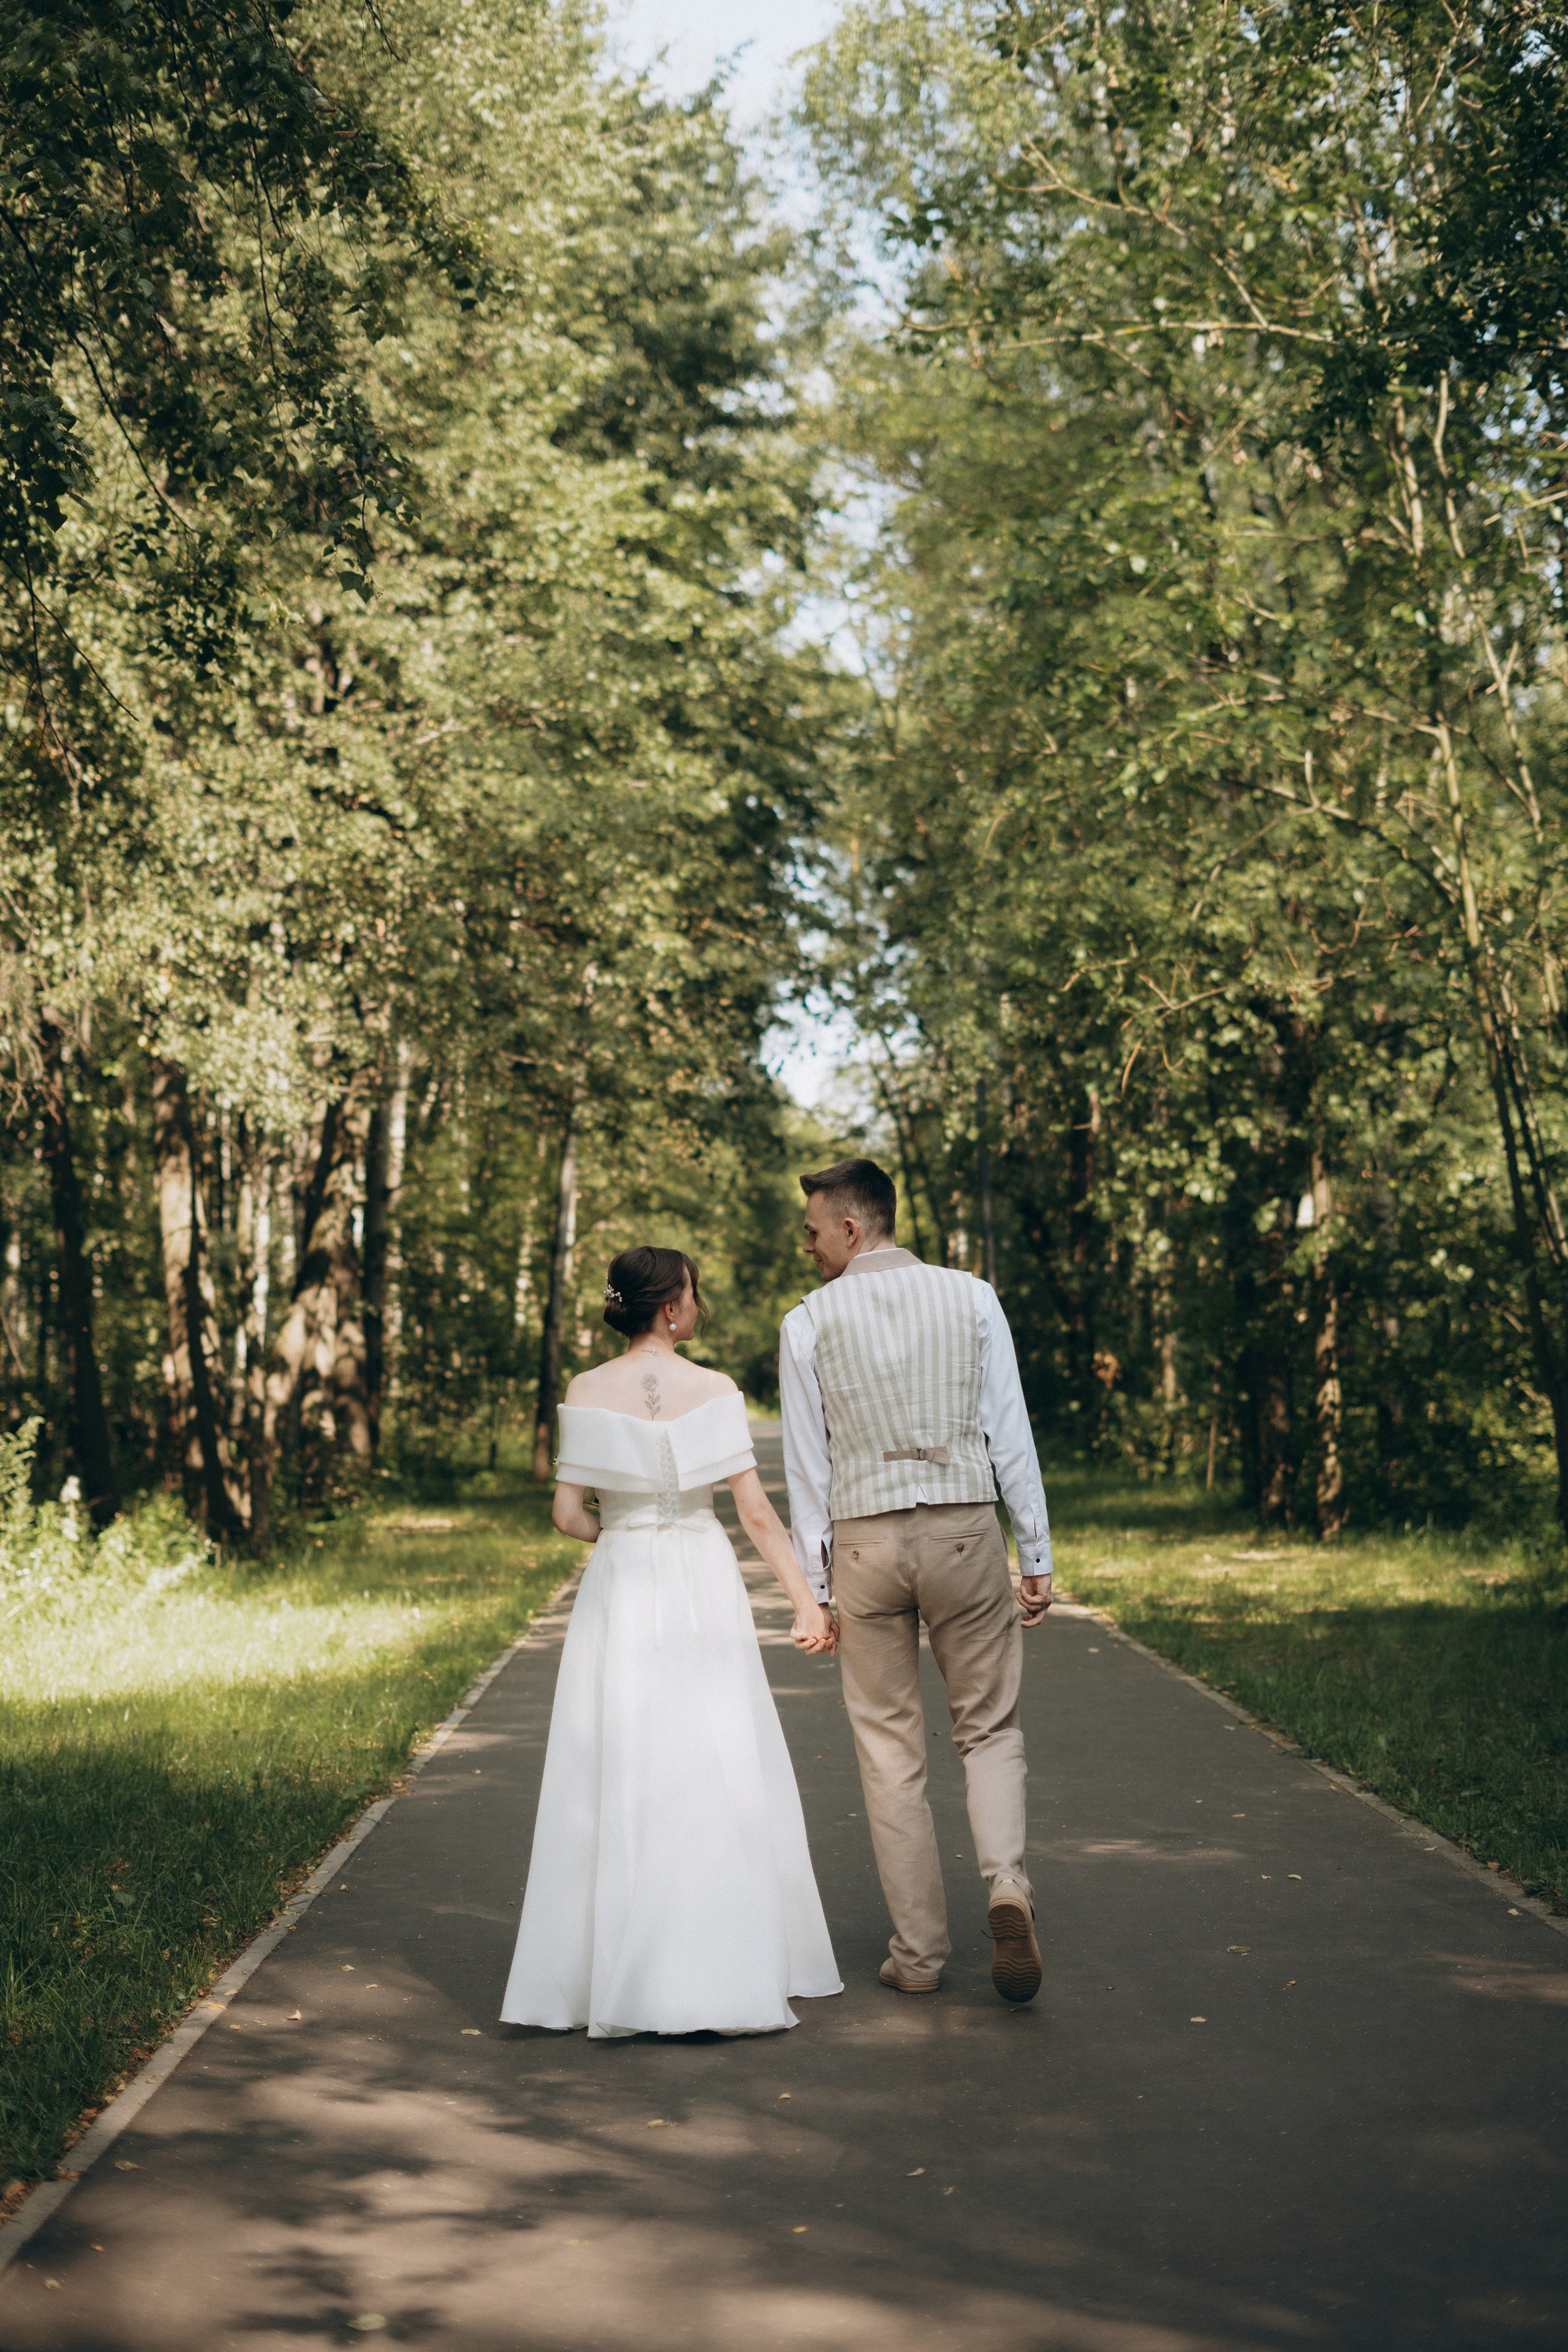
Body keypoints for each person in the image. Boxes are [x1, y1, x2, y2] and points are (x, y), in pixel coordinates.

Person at [501, 1245, 842, 2039]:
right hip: (699, 1577)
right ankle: (715, 1969)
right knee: (711, 1758)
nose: (696, 1303)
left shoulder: (586, 1389)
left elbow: (564, 1513)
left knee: (616, 1762)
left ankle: (607, 1975)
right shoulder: (714, 1389)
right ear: (671, 1306)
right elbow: (756, 1515)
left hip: (622, 1581)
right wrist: (806, 1603)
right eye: (692, 1291)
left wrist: (615, 1534)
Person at [778, 1158, 1052, 2004]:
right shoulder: (972, 1297)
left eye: (816, 1230)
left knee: (890, 1754)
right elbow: (1009, 1429)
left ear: (852, 1228)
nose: (810, 1247)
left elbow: (807, 1469)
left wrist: (817, 1584)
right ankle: (1006, 1884)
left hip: (865, 1541)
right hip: (965, 1529)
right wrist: (1034, 1553)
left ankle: (920, 1957)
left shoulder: (807, 1323)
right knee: (990, 1729)